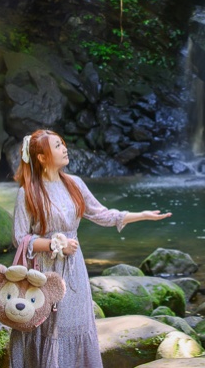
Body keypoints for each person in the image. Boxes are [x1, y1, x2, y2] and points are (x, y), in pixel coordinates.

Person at [9, 128, 172, 367]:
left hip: (74, 269)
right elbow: (19, 237)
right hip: (43, 272)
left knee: (76, 322)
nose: (64, 149)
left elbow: (101, 214)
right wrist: (55, 244)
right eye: (57, 146)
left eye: (63, 144)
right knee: (50, 326)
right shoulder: (28, 192)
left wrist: (140, 215)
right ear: (42, 157)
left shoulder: (74, 183)